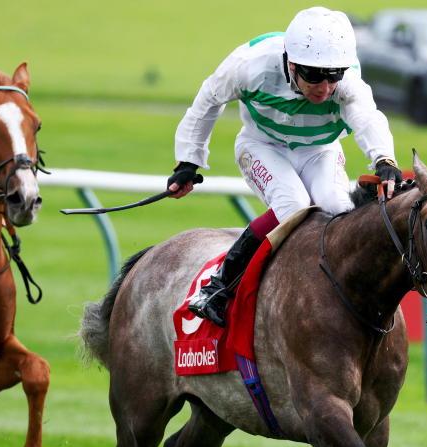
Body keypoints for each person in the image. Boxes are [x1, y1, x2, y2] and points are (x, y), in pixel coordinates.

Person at [168, 7, 403, 327]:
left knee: (337, 208)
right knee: (293, 205)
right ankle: (218, 287)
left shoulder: (347, 81)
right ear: (291, 64)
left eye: (333, 76)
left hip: (320, 149)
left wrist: (384, 160)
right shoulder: (250, 65)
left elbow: (368, 119)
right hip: (261, 146)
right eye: (314, 76)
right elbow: (208, 100)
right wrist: (188, 161)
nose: (324, 88)